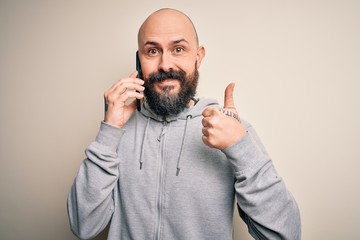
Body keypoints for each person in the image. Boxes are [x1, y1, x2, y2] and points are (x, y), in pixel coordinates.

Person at [67, 8, 301, 240]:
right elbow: (83, 225)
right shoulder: (117, 130)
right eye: (152, 51)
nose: (165, 64)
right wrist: (109, 132)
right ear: (139, 60)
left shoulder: (228, 130)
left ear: (198, 57)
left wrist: (241, 146)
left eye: (178, 49)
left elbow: (286, 235)